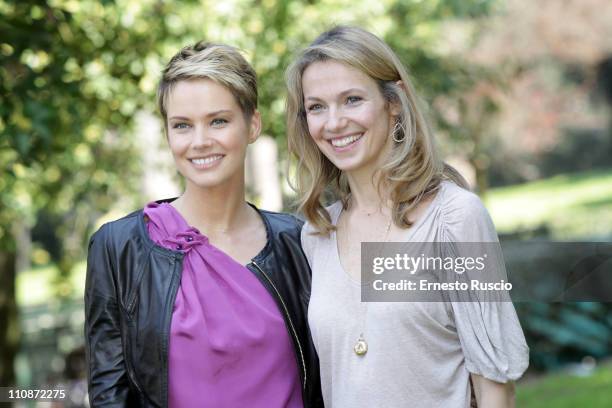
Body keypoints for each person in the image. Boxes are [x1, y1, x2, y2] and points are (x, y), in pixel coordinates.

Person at [286, 26, 529, 408]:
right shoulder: (318, 235)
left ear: (393, 101)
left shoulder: (454, 218)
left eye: (351, 100)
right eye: (317, 107)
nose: (333, 123)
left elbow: (495, 386)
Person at [84, 41, 323, 408]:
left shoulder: (300, 242)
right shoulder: (119, 247)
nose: (200, 141)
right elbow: (109, 395)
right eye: (182, 125)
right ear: (167, 134)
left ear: (253, 124)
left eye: (219, 121)